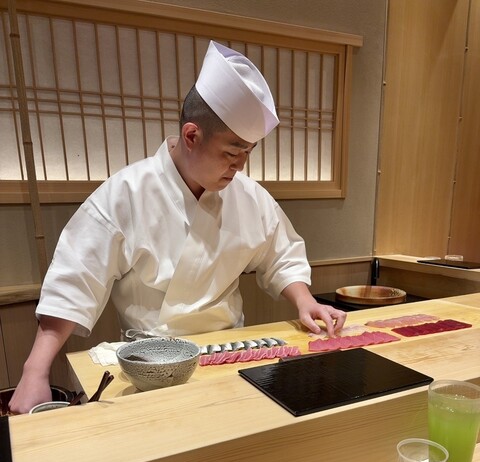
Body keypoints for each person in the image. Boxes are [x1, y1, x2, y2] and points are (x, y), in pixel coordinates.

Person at [10, 41, 346, 414]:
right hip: (150, 365)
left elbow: (281, 255)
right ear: (191, 136)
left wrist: (305, 301)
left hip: (230, 356)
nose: (240, 167)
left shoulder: (249, 196)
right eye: (231, 153)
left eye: (248, 153)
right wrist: (34, 370)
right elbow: (75, 280)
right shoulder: (126, 192)